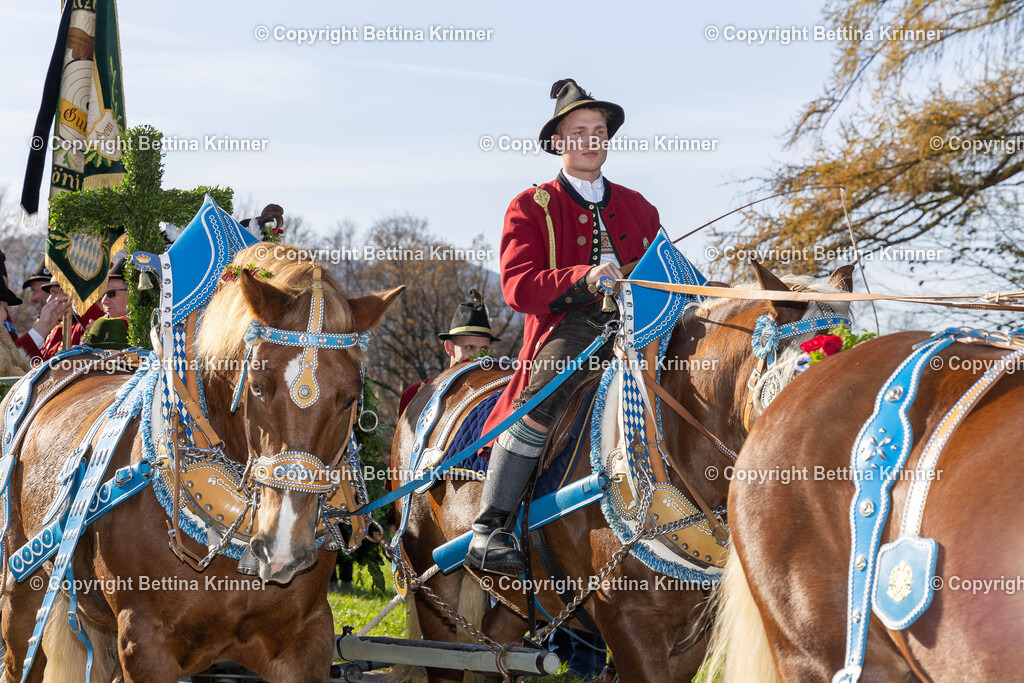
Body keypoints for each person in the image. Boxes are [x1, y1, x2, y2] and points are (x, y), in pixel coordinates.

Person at [465, 78, 661, 575]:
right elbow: (517, 286)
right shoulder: (529, 206)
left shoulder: (641, 207)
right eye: (579, 131)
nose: (591, 140)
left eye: (599, 131)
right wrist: (584, 278)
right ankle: (490, 527)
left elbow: (663, 269)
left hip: (643, 323)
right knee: (548, 385)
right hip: (574, 324)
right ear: (559, 142)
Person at [397, 292, 500, 415]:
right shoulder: (415, 394)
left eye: (484, 349)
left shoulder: (497, 395)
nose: (478, 357)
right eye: (469, 347)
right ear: (449, 347)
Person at [82, 256, 130, 350]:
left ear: (132, 293)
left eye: (112, 293)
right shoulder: (101, 324)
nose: (104, 301)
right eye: (102, 295)